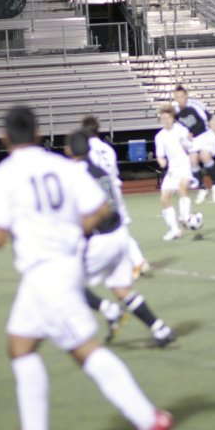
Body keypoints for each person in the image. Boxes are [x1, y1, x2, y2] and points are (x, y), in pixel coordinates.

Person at [0, 106, 173, 430]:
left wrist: (4, 231)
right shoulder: (63, 167)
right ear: (38, 133)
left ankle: (150, 420)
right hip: (50, 271)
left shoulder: (0, 176)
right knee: (20, 346)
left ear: (4, 137)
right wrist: (70, 230)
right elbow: (101, 209)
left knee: (84, 350)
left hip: (48, 273)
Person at [65, 129, 176, 347]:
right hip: (119, 235)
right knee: (122, 289)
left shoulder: (74, 174)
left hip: (100, 239)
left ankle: (110, 311)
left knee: (68, 283)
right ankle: (161, 330)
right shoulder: (100, 171)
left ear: (68, 150)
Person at [81, 115, 150, 279]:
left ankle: (103, 266)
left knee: (92, 229)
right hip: (114, 189)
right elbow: (115, 173)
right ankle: (136, 260)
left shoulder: (85, 150)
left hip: (99, 193)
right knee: (120, 228)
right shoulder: (108, 148)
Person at [173, 84, 215, 204]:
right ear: (175, 98)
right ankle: (202, 188)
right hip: (194, 139)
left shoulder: (195, 105)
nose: (180, 99)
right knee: (192, 161)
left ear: (186, 96)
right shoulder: (175, 112)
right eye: (177, 97)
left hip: (206, 134)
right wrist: (186, 135)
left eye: (182, 96)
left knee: (204, 156)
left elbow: (210, 119)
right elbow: (179, 128)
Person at [154, 104, 194, 240]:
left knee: (182, 188)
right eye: (163, 118)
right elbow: (160, 155)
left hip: (184, 166)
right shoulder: (159, 136)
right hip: (172, 169)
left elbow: (191, 145)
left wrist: (187, 144)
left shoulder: (181, 130)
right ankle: (174, 229)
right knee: (164, 198)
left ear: (173, 118)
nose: (165, 120)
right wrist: (161, 161)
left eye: (168, 117)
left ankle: (185, 216)